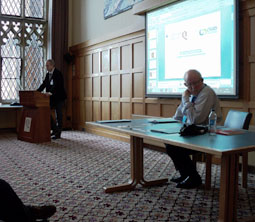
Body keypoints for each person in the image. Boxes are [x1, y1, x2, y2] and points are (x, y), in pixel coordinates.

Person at [166, 69, 222, 189]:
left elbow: (196, 119)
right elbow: (178, 116)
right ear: (185, 85)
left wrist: (185, 99)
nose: (193, 87)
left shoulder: (206, 93)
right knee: (170, 142)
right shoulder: (191, 94)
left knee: (175, 146)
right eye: (189, 84)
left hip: (208, 134)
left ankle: (193, 178)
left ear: (202, 81)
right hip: (195, 132)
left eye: (195, 83)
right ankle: (186, 174)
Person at [37, 59, 67, 139]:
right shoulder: (48, 74)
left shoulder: (58, 73)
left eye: (47, 65)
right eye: (46, 65)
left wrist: (50, 92)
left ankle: (58, 134)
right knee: (46, 111)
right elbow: (44, 84)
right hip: (51, 98)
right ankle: (55, 129)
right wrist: (36, 92)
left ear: (52, 65)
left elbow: (57, 85)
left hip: (59, 97)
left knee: (59, 115)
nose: (46, 67)